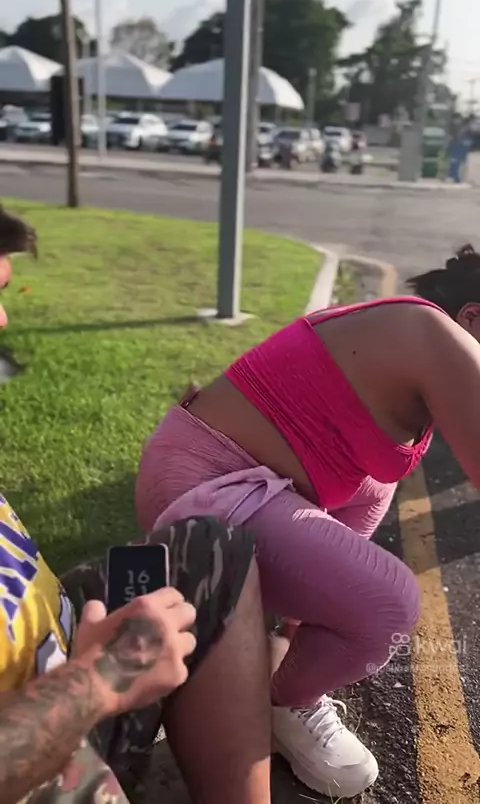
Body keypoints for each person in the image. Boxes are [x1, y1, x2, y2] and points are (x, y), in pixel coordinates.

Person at [136, 243, 480, 800]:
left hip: (230, 478)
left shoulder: (417, 336)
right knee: (391, 604)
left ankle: (289, 638)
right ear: (473, 318)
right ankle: (283, 702)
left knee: (376, 482)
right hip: (201, 494)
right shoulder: (435, 338)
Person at [0, 207, 272, 804]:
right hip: (35, 751)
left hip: (59, 648)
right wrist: (101, 680)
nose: (2, 319)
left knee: (212, 547)